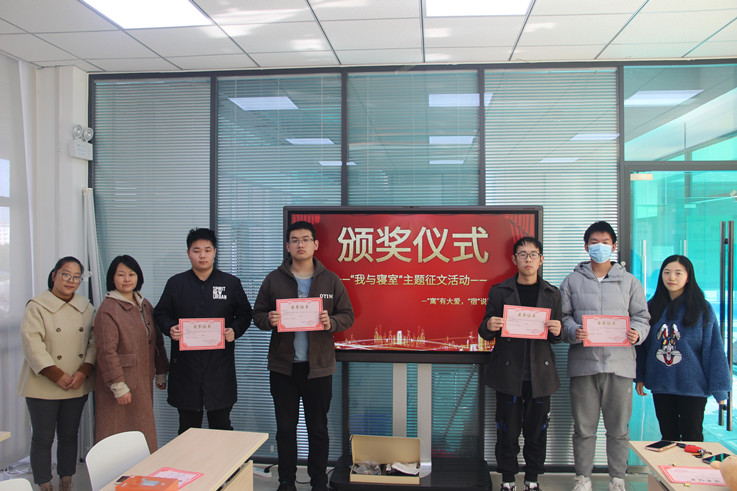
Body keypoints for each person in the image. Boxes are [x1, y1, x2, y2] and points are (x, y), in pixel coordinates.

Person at [253, 221, 354, 491]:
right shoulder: (274, 279)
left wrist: (331, 322)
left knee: (318, 429)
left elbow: (348, 315)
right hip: (283, 368)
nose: (301, 244)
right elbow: (257, 315)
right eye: (295, 240)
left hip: (318, 368)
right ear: (287, 246)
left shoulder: (330, 279)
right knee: (286, 429)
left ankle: (318, 481)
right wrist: (269, 319)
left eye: (306, 239)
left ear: (315, 244)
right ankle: (286, 481)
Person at [560, 221, 650, 491]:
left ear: (614, 246)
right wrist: (573, 331)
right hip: (584, 366)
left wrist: (637, 333)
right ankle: (583, 478)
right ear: (586, 246)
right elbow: (562, 317)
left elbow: (642, 317)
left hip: (619, 365)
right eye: (594, 242)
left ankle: (617, 479)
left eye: (605, 242)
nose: (600, 247)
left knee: (619, 429)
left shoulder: (630, 281)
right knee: (583, 428)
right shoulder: (572, 281)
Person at [479, 237, 563, 491]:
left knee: (537, 432)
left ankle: (532, 480)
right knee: (507, 431)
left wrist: (558, 330)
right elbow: (485, 331)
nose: (528, 259)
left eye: (533, 254)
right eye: (523, 254)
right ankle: (507, 480)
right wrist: (489, 325)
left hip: (540, 375)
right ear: (514, 259)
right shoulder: (499, 291)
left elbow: (557, 337)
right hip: (509, 373)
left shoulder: (552, 294)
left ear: (541, 259)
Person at [154, 227, 252, 434]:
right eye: (196, 250)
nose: (202, 255)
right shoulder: (176, 284)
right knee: (188, 431)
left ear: (215, 252)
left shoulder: (230, 283)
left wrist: (234, 330)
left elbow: (245, 314)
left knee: (222, 428)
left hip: (219, 368)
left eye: (207, 250)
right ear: (188, 253)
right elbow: (160, 313)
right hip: (186, 368)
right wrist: (170, 328)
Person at [17, 257, 96, 491]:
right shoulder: (37, 306)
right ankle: (43, 483)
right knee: (43, 437)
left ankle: (66, 479)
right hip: (44, 382)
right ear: (54, 275)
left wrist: (84, 371)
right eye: (66, 275)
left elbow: (94, 342)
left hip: (76, 381)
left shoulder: (86, 306)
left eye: (76, 277)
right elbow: (32, 344)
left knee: (69, 435)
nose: (71, 281)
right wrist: (55, 374)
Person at [635, 255, 730, 441]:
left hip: (693, 388)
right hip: (662, 386)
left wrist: (720, 390)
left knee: (692, 438)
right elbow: (642, 348)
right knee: (668, 438)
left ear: (688, 277)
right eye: (667, 272)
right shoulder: (651, 307)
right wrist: (640, 377)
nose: (672, 277)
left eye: (678, 273)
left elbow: (714, 350)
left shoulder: (702, 308)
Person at [93, 255, 169, 453]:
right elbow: (106, 352)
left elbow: (157, 341)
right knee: (117, 432)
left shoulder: (144, 305)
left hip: (142, 381)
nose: (127, 279)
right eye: (121, 275)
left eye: (131, 274)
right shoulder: (108, 309)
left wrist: (161, 371)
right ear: (112, 278)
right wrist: (118, 385)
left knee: (141, 431)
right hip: (120, 384)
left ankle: (143, 471)